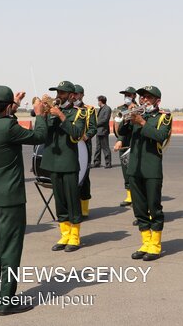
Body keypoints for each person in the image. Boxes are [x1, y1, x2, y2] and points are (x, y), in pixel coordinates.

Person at [0, 85, 47, 315]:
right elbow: (40, 136)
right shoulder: (9, 127)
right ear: (6, 107)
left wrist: (10, 106)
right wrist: (40, 114)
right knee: (11, 248)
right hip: (10, 197)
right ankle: (6, 301)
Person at [118, 85, 172, 261]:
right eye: (142, 97)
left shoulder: (164, 116)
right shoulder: (136, 115)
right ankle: (145, 242)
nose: (144, 100)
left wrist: (142, 122)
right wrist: (126, 120)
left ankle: (155, 246)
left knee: (154, 207)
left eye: (148, 97)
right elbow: (121, 133)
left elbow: (160, 136)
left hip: (151, 168)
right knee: (139, 208)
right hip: (134, 168)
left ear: (157, 100)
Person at [40, 80, 87, 252]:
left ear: (72, 95)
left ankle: (74, 237)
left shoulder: (79, 113)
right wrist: (42, 113)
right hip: (52, 161)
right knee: (60, 201)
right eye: (57, 92)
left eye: (61, 93)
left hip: (68, 162)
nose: (57, 96)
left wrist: (60, 115)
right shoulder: (50, 111)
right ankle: (64, 234)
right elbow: (41, 132)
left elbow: (77, 134)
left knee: (72, 200)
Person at [73, 85, 98, 218]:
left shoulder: (89, 109)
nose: (75, 96)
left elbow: (93, 128)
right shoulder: (67, 109)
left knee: (84, 177)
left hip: (84, 147)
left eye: (77, 94)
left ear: (82, 95)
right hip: (70, 147)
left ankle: (84, 208)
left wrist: (86, 136)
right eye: (73, 94)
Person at [113, 87, 137, 207]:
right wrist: (119, 139)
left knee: (135, 170)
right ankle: (129, 195)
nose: (126, 96)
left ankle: (136, 195)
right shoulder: (120, 109)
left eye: (129, 94)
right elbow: (117, 124)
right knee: (125, 169)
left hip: (135, 143)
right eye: (125, 94)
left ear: (134, 96)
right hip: (123, 142)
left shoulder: (138, 108)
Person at [93, 95, 112, 168]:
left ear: (100, 101)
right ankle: (97, 162)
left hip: (103, 131)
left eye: (98, 101)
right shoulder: (101, 108)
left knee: (105, 148)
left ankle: (108, 163)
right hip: (98, 131)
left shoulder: (107, 109)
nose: (98, 102)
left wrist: (96, 124)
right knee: (98, 147)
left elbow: (105, 120)